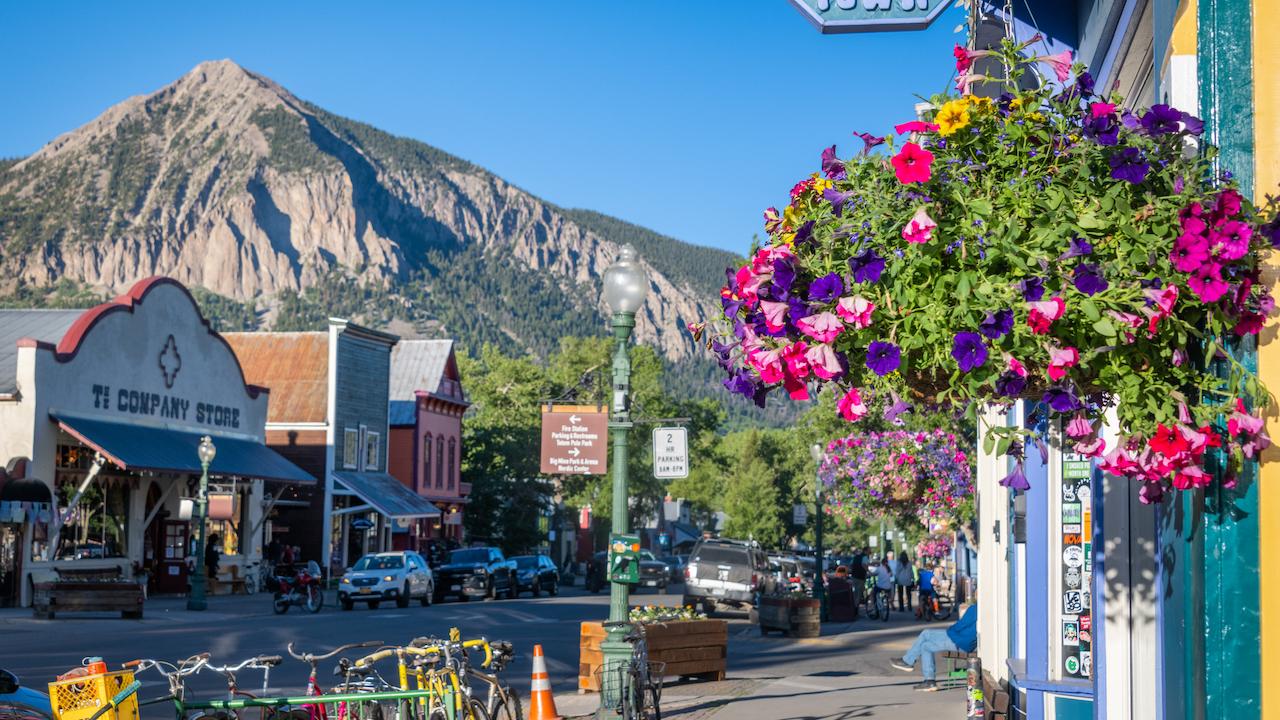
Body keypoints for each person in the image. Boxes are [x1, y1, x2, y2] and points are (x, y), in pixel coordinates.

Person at [891, 604, 978, 691]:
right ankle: (929, 681)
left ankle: (908, 662)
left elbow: (961, 624)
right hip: (965, 641)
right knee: (926, 646)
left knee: (926, 633)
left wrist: (950, 630)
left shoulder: (976, 607)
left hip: (960, 641)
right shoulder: (983, 607)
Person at [849, 547, 868, 619]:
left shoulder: (855, 557)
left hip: (854, 577)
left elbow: (851, 565)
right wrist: (868, 571)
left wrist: (853, 570)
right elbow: (864, 565)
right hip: (861, 577)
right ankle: (855, 612)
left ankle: (855, 610)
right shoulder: (864, 557)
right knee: (858, 595)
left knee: (855, 593)